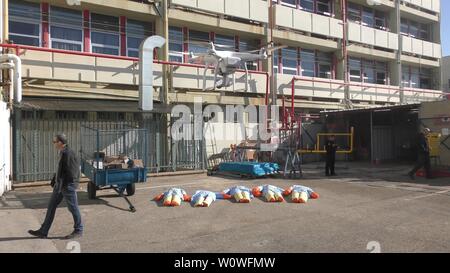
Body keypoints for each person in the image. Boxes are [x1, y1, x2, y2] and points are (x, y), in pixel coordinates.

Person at [28, 134, 83, 239]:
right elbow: (61, 168)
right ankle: (43, 231)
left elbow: (72, 172)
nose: (54, 144)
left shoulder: (68, 154)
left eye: (55, 142)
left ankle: (78, 230)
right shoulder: (63, 152)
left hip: (67, 186)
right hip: (60, 186)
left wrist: (65, 185)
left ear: (60, 143)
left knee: (73, 208)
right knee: (51, 206)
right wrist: (55, 180)